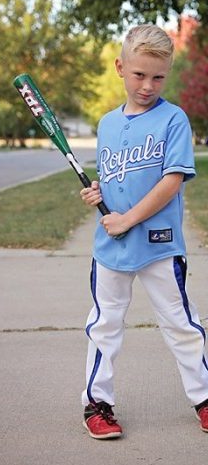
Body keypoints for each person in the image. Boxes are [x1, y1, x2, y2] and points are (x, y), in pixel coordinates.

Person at [80, 24, 208, 439]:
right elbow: (113, 177)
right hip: (111, 247)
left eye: (158, 76)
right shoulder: (106, 124)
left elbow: (172, 180)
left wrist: (128, 218)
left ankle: (204, 399)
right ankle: (97, 404)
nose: (148, 85)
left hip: (159, 245)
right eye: (139, 75)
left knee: (180, 324)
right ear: (120, 68)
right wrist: (98, 193)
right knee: (105, 325)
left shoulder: (174, 119)